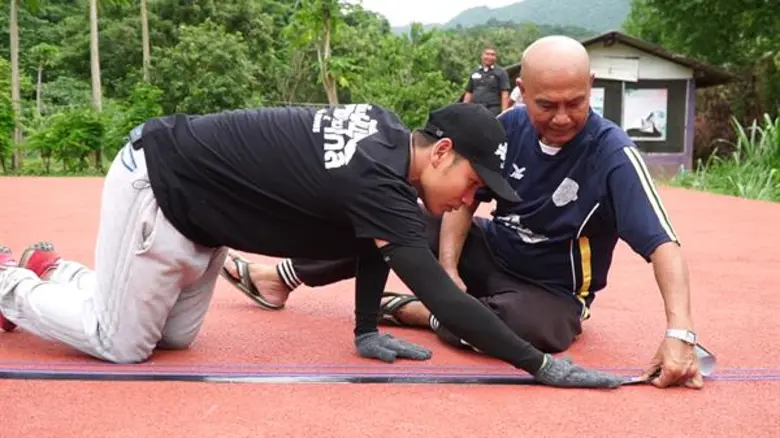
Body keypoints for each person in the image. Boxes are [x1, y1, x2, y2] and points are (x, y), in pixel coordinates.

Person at [0, 101, 625, 389]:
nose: (471, 201)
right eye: (472, 182)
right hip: (160, 184)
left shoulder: (384, 136)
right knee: (123, 344)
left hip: (200, 215)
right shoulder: (380, 185)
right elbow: (441, 294)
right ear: (439, 152)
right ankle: (11, 282)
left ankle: (52, 270)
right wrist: (542, 366)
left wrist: (364, 331)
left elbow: (372, 244)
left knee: (174, 340)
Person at [221, 35, 705, 390]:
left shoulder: (613, 155)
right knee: (395, 213)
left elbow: (664, 244)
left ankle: (413, 310)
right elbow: (465, 195)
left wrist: (679, 332)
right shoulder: (507, 126)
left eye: (575, 103)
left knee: (538, 333)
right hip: (489, 251)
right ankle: (281, 277)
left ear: (591, 87)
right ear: (519, 91)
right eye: (546, 104)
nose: (561, 117)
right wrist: (449, 269)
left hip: (549, 291)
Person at [462, 47, 511, 116]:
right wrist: (463, 110)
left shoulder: (501, 72)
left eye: (492, 55)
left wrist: (504, 114)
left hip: (493, 109)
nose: (490, 57)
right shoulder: (475, 72)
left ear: (496, 57)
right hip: (475, 109)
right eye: (487, 54)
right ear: (482, 56)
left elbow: (505, 94)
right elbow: (469, 92)